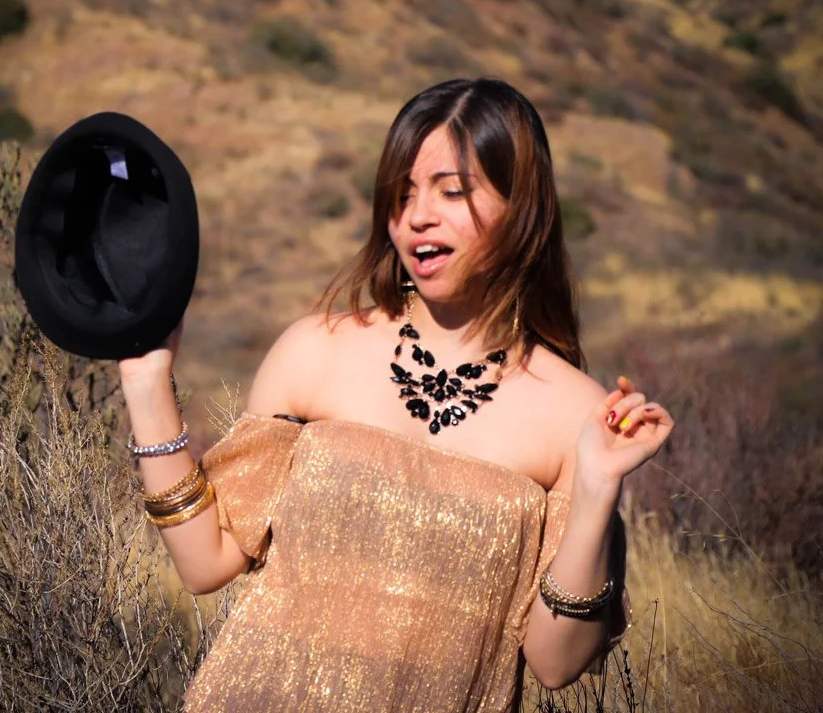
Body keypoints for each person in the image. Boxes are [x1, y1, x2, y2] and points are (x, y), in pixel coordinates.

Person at [118, 77, 675, 711]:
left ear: (521, 206)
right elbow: (205, 562)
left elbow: (555, 662)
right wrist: (145, 380)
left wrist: (599, 486)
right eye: (402, 194)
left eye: (451, 191)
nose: (417, 217)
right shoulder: (315, 349)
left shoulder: (575, 411)